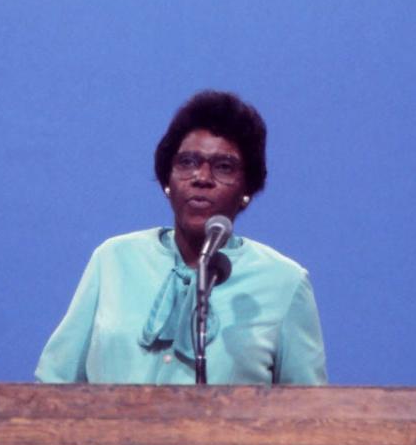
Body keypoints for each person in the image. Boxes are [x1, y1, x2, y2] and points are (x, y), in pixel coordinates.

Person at [35, 90, 327, 385]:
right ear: (167, 181)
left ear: (246, 190)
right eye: (187, 162)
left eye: (223, 167)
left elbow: (308, 417)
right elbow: (53, 384)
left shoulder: (284, 282)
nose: (201, 177)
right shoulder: (113, 260)